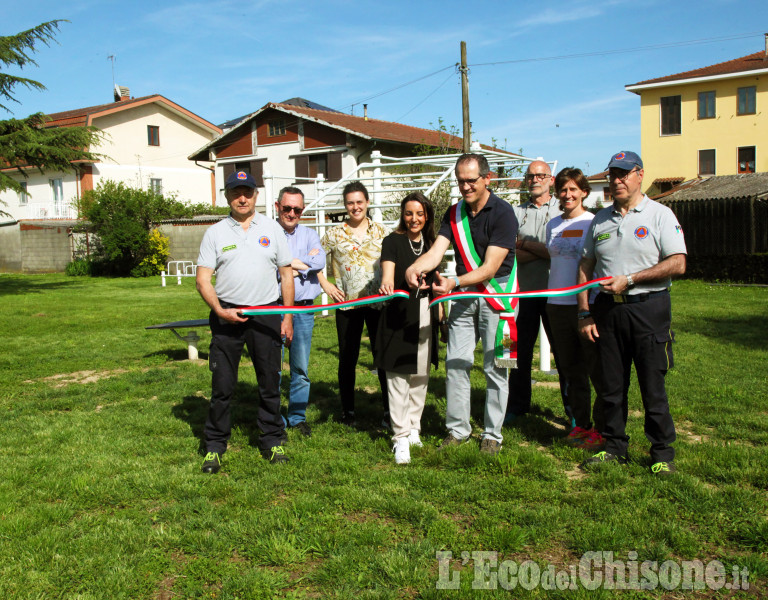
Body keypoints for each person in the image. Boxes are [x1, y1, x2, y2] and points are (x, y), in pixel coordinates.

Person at [577, 151, 687, 475]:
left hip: (648, 308)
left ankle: (662, 455)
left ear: (640, 175)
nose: (617, 180)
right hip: (607, 312)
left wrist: (632, 279)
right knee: (611, 387)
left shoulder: (659, 215)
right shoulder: (599, 220)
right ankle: (614, 447)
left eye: (624, 173)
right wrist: (584, 313)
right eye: (613, 174)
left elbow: (678, 263)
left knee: (653, 387)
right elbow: (585, 265)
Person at [405, 153, 518, 455]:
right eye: (460, 181)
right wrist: (414, 268)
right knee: (456, 363)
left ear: (487, 179)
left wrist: (453, 283)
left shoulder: (504, 213)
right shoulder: (453, 214)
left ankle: (493, 434)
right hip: (466, 297)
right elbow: (436, 252)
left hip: (501, 299)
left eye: (471, 181)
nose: (465, 187)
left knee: (499, 366)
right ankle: (458, 430)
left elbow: (491, 268)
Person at [196, 171, 295, 473]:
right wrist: (220, 311)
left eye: (248, 192)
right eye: (236, 192)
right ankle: (214, 445)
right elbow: (202, 280)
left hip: (266, 313)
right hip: (226, 316)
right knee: (222, 385)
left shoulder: (272, 229)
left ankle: (271, 439)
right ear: (227, 196)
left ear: (256, 195)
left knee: (269, 382)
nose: (242, 198)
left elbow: (287, 273)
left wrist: (287, 316)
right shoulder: (215, 232)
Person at [377, 192, 441, 464]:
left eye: (419, 214)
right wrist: (387, 283)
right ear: (402, 215)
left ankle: (414, 427)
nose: (414, 219)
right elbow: (388, 273)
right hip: (399, 314)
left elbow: (437, 280)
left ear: (426, 216)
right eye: (408, 213)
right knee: (398, 377)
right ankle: (400, 436)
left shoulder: (433, 243)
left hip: (426, 314)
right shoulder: (392, 241)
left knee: (420, 376)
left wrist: (440, 312)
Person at [320, 181, 390, 427]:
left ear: (368, 202)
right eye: (350, 202)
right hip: (347, 304)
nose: (355, 207)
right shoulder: (334, 234)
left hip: (378, 302)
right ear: (345, 205)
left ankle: (389, 411)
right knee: (347, 357)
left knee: (382, 356)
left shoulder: (383, 231)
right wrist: (326, 285)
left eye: (359, 202)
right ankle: (348, 411)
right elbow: (313, 260)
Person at [506, 160, 570, 425]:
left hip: (557, 294)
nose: (535, 179)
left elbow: (559, 252)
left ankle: (573, 410)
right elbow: (507, 254)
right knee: (517, 353)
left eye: (540, 175)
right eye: (530, 175)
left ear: (551, 179)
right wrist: (540, 249)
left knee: (564, 353)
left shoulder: (564, 209)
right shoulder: (514, 212)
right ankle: (516, 406)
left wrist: (526, 244)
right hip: (523, 294)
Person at [545, 168, 604, 450]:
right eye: (562, 190)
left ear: (583, 192)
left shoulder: (594, 222)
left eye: (572, 190)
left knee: (595, 368)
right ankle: (581, 425)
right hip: (555, 306)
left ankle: (604, 429)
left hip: (586, 306)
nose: (567, 195)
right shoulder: (552, 225)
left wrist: (588, 307)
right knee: (569, 370)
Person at [275, 186, 326, 438]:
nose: (292, 213)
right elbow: (265, 267)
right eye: (287, 208)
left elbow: (319, 262)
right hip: (273, 308)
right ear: (277, 207)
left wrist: (285, 267)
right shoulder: (267, 233)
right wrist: (300, 265)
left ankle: (297, 418)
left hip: (304, 311)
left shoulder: (309, 234)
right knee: (272, 368)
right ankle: (274, 420)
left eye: (297, 209)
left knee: (300, 370)